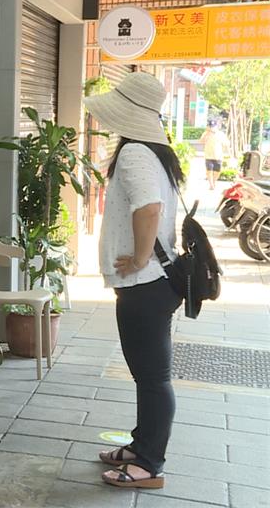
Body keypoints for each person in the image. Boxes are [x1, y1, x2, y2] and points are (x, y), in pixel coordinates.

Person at [84, 72, 184, 490]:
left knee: (152, 376)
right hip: (156, 283)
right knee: (150, 373)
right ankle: (142, 445)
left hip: (146, 283)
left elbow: (149, 208)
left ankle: (148, 463)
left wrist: (141, 257)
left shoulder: (135, 154)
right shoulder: (155, 152)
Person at [200, 122, 227, 190]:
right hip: (208, 156)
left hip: (218, 156)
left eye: (213, 126)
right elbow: (201, 141)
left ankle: (214, 182)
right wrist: (206, 134)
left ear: (216, 127)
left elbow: (225, 143)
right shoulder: (206, 134)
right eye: (210, 126)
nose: (211, 128)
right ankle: (211, 184)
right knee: (209, 170)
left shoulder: (221, 134)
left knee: (217, 171)